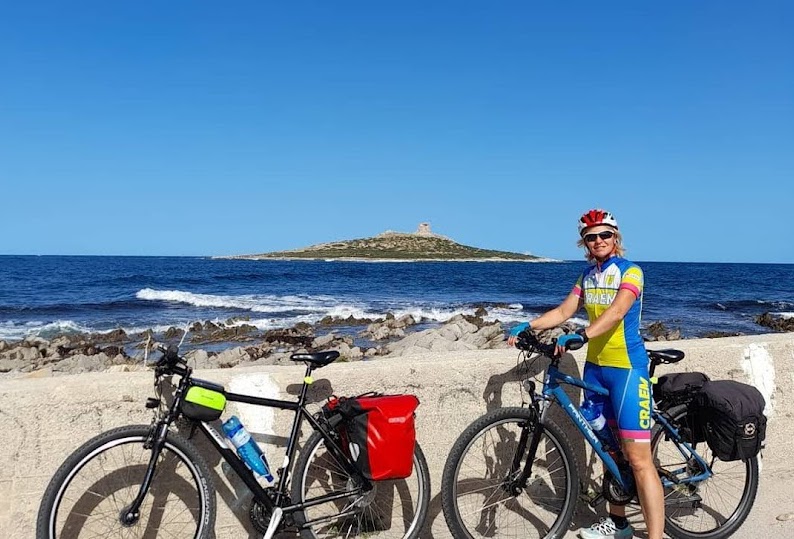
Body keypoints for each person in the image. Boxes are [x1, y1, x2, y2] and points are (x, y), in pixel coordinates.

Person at [507, 209, 664, 539]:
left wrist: (583, 335)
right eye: (591, 237)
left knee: (639, 460)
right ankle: (619, 524)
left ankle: (655, 535)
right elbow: (566, 310)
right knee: (609, 451)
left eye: (605, 235)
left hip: (627, 370)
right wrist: (528, 325)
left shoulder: (631, 272)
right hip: (595, 371)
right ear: (584, 243)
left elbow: (618, 311)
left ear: (615, 238)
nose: (599, 241)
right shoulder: (587, 277)